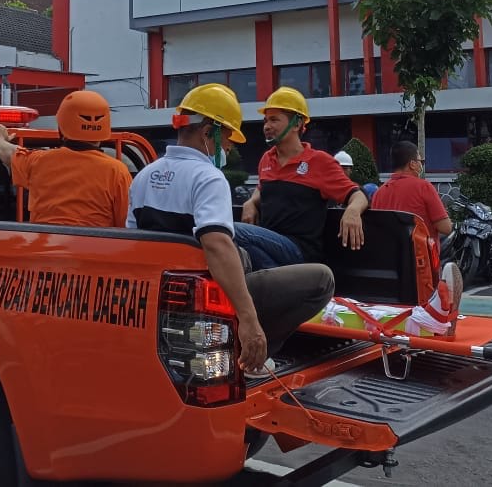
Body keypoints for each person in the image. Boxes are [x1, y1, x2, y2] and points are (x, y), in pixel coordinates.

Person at [128, 83, 334, 377]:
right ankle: (251, 355)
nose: (229, 148)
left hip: (164, 296)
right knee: (322, 279)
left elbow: (135, 242)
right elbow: (216, 245)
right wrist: (249, 322)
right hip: (208, 298)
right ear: (208, 131)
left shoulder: (144, 176)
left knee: (246, 254)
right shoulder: (207, 177)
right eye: (226, 138)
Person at [236, 88, 368, 270]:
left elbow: (357, 195)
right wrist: (250, 202)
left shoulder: (320, 161)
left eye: (274, 119)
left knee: (228, 230)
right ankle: (279, 283)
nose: (266, 126)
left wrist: (353, 211)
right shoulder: (267, 158)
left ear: (297, 124)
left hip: (299, 251)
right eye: (265, 120)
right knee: (237, 251)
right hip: (269, 245)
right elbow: (262, 187)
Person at [0, 89, 129, 228]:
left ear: (62, 125)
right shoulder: (117, 171)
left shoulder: (39, 162)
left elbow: (8, 154)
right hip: (97, 249)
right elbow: (126, 225)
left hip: (44, 248)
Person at [371, 141, 453, 237]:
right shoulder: (424, 187)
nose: (421, 165)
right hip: (419, 251)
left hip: (388, 251)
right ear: (412, 164)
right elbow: (445, 228)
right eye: (420, 161)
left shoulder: (379, 193)